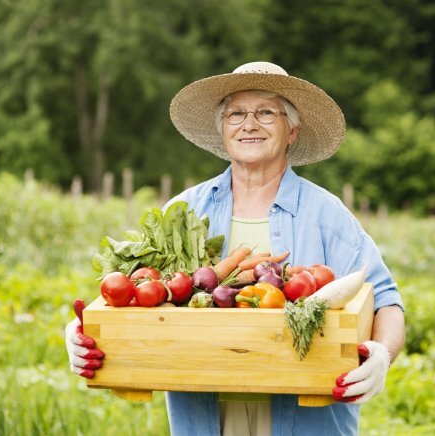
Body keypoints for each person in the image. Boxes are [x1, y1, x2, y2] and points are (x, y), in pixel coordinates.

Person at [65, 61, 405, 435]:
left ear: (292, 130)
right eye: (236, 114)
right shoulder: (186, 211)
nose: (249, 124)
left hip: (307, 421)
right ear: (223, 131)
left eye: (265, 112)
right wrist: (84, 332)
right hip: (205, 418)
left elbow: (386, 301)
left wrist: (382, 354)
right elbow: (134, 293)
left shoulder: (326, 215)